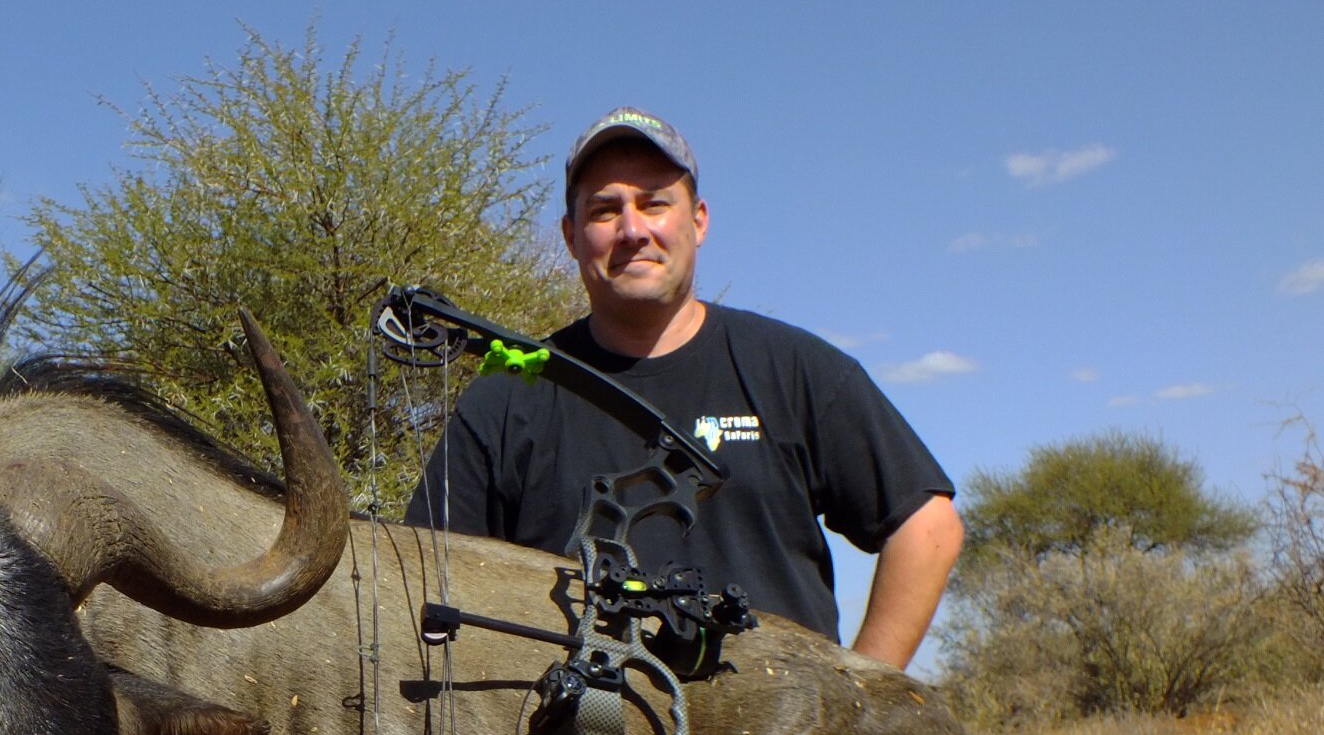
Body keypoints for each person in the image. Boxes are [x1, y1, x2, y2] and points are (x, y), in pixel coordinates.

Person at [403, 108, 963, 671]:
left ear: (698, 220)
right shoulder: (507, 394)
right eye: (604, 210)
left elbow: (928, 527)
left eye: (654, 203)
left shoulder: (794, 368)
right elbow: (424, 571)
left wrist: (860, 698)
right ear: (572, 237)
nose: (632, 230)